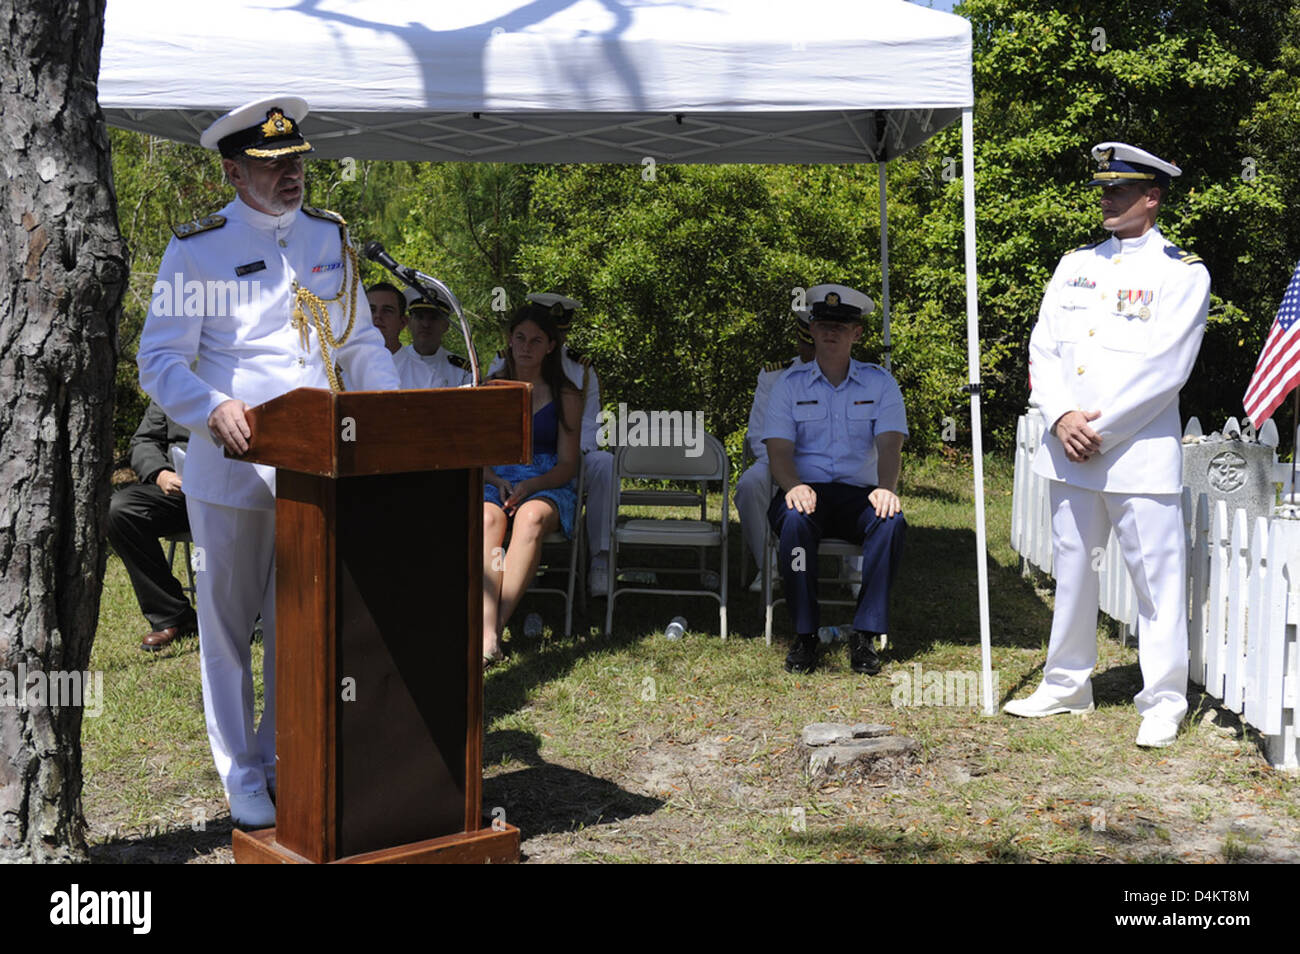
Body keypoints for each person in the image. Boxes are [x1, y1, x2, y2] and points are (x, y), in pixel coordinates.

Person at [136, 95, 401, 828]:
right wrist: (209, 407)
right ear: (233, 171)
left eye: (297, 162)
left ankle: (285, 754)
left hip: (315, 469)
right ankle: (241, 774)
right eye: (272, 164)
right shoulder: (197, 249)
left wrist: (395, 416)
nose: (291, 176)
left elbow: (359, 346)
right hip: (231, 469)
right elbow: (158, 362)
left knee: (301, 624)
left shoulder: (328, 238)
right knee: (225, 632)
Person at [1004, 142, 1210, 749]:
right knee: (1072, 571)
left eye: (1120, 190)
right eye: (1104, 189)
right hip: (1069, 449)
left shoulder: (1182, 272)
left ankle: (1165, 699)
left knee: (1157, 580)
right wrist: (1062, 414)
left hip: (1137, 455)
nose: (1107, 198)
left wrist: (1099, 429)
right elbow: (1044, 347)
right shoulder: (1074, 265)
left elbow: (1166, 370)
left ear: (1152, 196)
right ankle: (1067, 682)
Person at [764, 284, 908, 675]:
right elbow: (778, 452)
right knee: (794, 522)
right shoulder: (788, 386)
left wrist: (886, 490)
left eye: (841, 326)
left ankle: (864, 633)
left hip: (859, 494)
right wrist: (793, 486)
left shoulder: (880, 383)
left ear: (857, 333)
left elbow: (890, 444)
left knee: (890, 522)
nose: (831, 332)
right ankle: (805, 635)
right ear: (810, 329)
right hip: (804, 491)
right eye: (824, 323)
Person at [487, 294, 614, 596]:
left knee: (603, 464)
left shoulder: (581, 368)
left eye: (558, 332)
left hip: (565, 454)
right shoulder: (503, 363)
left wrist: (562, 459)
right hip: (513, 457)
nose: (528, 347)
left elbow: (589, 425)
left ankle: (601, 558)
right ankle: (518, 565)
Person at [481, 302, 582, 663]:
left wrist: (534, 484)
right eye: (520, 338)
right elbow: (476, 453)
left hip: (546, 481)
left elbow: (569, 463)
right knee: (489, 520)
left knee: (531, 519)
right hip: (495, 478)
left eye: (536, 340)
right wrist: (494, 477)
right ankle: (488, 633)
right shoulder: (488, 389)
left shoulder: (567, 393)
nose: (526, 347)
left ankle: (490, 633)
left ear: (551, 346)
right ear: (509, 340)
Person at [735, 312, 816, 592]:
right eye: (806, 343)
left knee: (857, 484)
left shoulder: (844, 375)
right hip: (779, 461)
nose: (809, 351)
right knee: (748, 486)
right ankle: (768, 566)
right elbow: (758, 433)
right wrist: (785, 469)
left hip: (827, 463)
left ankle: (855, 572)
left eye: (814, 344)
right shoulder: (774, 376)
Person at [107, 401, 196, 651]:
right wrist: (161, 474)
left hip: (237, 492)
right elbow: (144, 441)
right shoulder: (176, 380)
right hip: (182, 493)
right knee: (120, 510)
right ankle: (173, 616)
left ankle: (257, 615)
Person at [366, 281, 436, 388]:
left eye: (387, 311)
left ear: (403, 322)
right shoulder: (343, 374)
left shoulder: (427, 379)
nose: (378, 316)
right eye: (371, 310)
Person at [399, 286, 472, 388]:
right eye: (419, 317)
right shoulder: (394, 362)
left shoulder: (462, 371)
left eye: (434, 318)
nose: (426, 324)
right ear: (409, 323)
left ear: (446, 325)